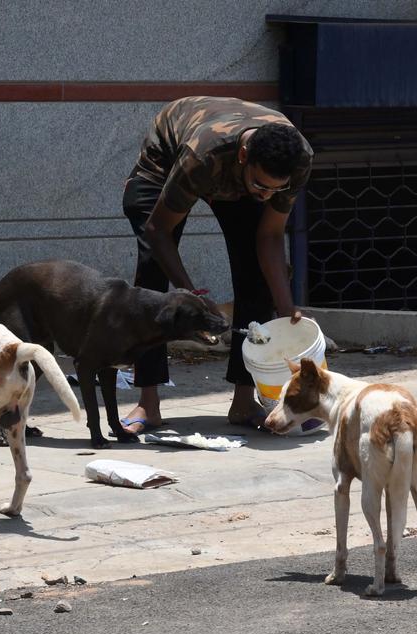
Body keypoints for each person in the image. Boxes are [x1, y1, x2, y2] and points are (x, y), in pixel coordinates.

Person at [120, 95, 313, 434]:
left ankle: (243, 400)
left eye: (274, 190)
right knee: (152, 273)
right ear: (243, 157)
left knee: (258, 278)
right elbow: (157, 229)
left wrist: (285, 308)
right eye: (260, 185)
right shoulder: (203, 156)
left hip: (231, 165)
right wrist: (190, 295)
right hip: (170, 156)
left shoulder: (297, 160)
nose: (266, 196)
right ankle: (147, 403)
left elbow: (268, 238)